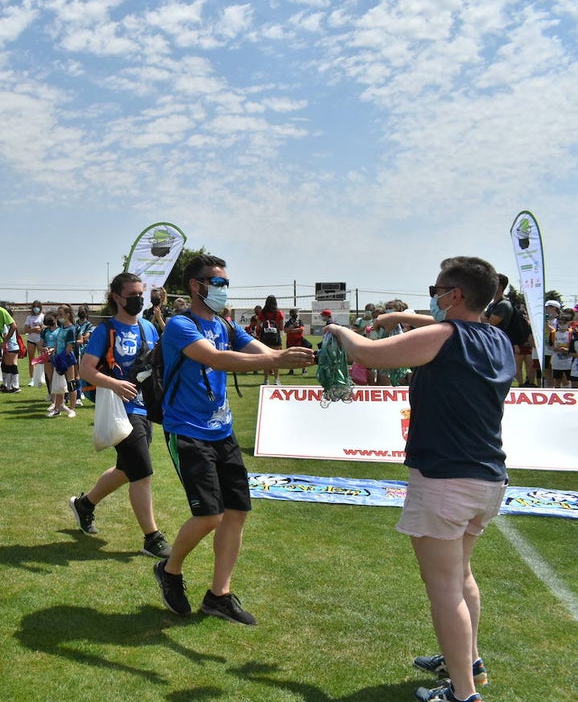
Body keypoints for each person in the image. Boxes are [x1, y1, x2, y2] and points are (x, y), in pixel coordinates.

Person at [327, 257, 514, 702]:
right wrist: (397, 316)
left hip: (446, 479)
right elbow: (433, 324)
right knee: (462, 576)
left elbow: (367, 354)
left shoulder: (445, 337)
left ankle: (463, 693)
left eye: (436, 288)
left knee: (445, 590)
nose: (432, 295)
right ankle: (468, 661)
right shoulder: (498, 339)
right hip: (487, 478)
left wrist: (337, 331)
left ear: (454, 295)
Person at [153, 253, 314, 623]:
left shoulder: (224, 324)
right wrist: (275, 360)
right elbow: (216, 360)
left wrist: (291, 356)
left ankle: (219, 595)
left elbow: (261, 351)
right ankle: (170, 570)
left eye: (226, 282)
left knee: (237, 511)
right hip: (188, 432)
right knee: (209, 514)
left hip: (221, 431)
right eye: (218, 283)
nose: (225, 289)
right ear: (197, 286)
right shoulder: (180, 324)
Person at [70, 272, 171, 560]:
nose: (139, 299)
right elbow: (87, 369)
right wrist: (114, 384)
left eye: (141, 293)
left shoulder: (149, 329)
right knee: (143, 472)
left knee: (126, 470)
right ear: (116, 297)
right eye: (133, 295)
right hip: (119, 410)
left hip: (144, 407)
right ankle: (152, 538)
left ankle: (84, 504)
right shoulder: (105, 330)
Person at [258, 295, 284, 385]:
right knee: (276, 358)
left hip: (265, 339)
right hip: (275, 339)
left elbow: (258, 326)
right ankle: (277, 380)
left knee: (265, 358)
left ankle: (266, 380)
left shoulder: (262, 313)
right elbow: (281, 328)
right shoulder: (279, 313)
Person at [283, 307, 310, 376]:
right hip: (290, 342)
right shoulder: (288, 322)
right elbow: (285, 330)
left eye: (295, 313)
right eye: (293, 313)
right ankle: (291, 370)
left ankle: (304, 370)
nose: (294, 315)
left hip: (299, 341)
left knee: (301, 356)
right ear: (290, 314)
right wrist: (292, 327)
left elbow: (301, 329)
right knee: (291, 356)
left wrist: (291, 330)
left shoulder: (300, 321)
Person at [23, 300, 45, 381]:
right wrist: (33, 329)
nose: (36, 308)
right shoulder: (29, 317)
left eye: (38, 307)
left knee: (41, 359)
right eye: (35, 307)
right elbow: (25, 330)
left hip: (40, 340)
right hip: (31, 340)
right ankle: (32, 378)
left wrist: (41, 329)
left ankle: (41, 377)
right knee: (31, 359)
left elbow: (45, 327)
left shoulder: (42, 317)